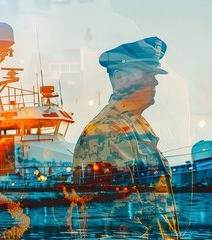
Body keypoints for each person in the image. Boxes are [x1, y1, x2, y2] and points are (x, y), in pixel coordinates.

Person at [72, 37, 180, 238]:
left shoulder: (137, 126)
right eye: (147, 74)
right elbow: (116, 228)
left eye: (154, 74)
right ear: (120, 79)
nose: (155, 81)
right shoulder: (105, 134)